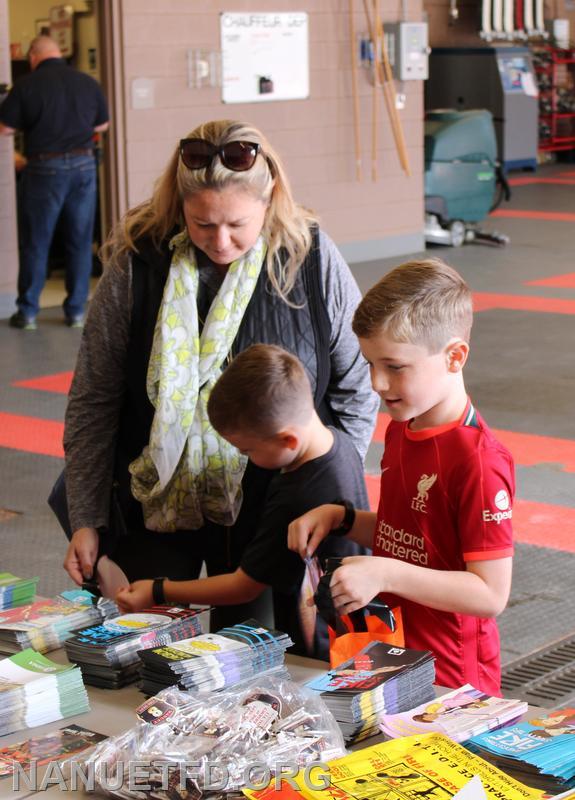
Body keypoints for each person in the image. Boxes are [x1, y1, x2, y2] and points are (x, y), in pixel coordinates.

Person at [62, 119, 378, 632]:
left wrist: (322, 479)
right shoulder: (139, 258)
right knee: (149, 648)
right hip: (157, 500)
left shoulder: (311, 256)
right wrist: (86, 517)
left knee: (260, 661)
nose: (221, 241)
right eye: (202, 224)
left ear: (270, 200)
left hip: (275, 504)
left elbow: (356, 387)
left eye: (238, 225)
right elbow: (94, 399)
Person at [288, 258, 514, 694]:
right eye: (370, 363)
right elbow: (414, 537)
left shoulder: (479, 461)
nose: (376, 382)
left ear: (455, 356)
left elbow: (490, 594)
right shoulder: (401, 428)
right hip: (391, 656)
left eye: (394, 366)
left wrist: (386, 574)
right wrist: (343, 518)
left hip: (451, 681)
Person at [115, 344, 369, 659]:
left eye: (246, 450)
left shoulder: (299, 495)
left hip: (323, 648)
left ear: (288, 439)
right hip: (349, 629)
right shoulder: (339, 443)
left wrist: (158, 589)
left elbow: (243, 586)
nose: (241, 457)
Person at [0, 35, 109, 330]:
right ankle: (75, 311)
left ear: (34, 56)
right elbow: (102, 124)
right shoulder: (87, 82)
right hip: (84, 166)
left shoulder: (27, 84)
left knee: (36, 241)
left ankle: (28, 312)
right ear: (57, 52)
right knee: (80, 240)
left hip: (44, 168)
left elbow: (6, 127)